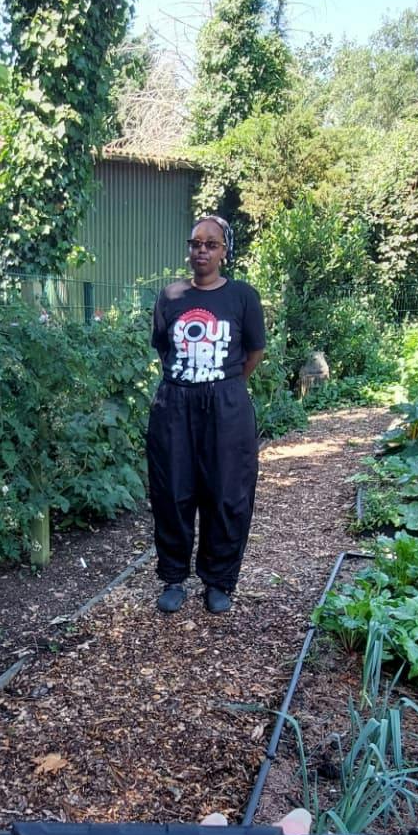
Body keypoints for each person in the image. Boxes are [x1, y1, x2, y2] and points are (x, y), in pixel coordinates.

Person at [146, 216, 267, 617]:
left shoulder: (243, 297)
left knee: (227, 492)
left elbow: (253, 353)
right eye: (196, 243)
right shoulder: (170, 296)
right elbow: (164, 347)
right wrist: (190, 383)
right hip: (175, 406)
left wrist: (221, 385)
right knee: (173, 489)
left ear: (224, 251)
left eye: (211, 244)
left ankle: (219, 581)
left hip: (226, 408)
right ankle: (174, 578)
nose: (202, 250)